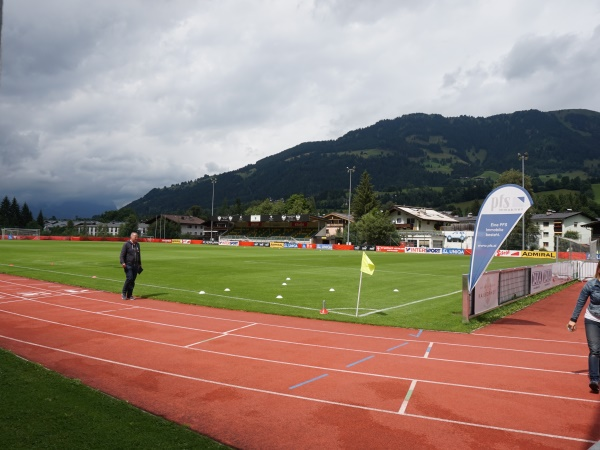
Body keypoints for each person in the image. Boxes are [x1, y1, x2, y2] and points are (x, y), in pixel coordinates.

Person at [568, 261, 600, 394]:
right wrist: (573, 319)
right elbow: (581, 301)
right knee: (595, 349)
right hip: (592, 319)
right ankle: (594, 380)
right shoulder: (591, 284)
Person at [120, 232, 142, 300]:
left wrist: (139, 263)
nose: (136, 238)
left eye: (137, 237)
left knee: (133, 280)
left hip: (135, 265)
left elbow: (138, 255)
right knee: (129, 278)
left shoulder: (137, 245)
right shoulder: (126, 244)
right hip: (128, 264)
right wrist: (122, 262)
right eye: (135, 237)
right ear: (131, 237)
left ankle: (129, 295)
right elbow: (122, 255)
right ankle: (123, 293)